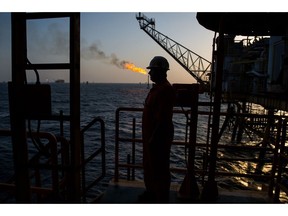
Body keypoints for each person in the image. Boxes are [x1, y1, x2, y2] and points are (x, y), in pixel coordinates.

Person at [140, 56, 176, 203]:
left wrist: (153, 138)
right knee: (150, 166)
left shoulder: (165, 91)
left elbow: (163, 120)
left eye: (152, 71)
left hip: (158, 138)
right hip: (151, 136)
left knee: (159, 168)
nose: (149, 74)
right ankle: (151, 193)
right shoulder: (157, 89)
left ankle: (160, 198)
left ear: (160, 71)